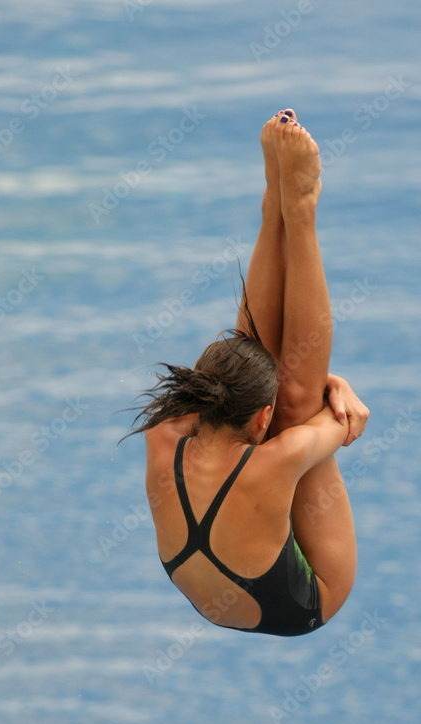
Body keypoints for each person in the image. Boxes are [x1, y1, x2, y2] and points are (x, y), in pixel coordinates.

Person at [124, 110, 370, 636]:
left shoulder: (168, 437)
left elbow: (339, 417)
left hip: (218, 584)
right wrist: (337, 386)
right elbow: (341, 418)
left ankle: (286, 209)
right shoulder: (242, 448)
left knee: (276, 389)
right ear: (259, 420)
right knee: (297, 407)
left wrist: (338, 389)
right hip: (301, 603)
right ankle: (286, 210)